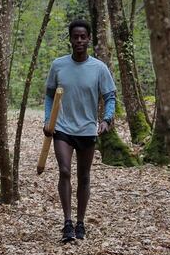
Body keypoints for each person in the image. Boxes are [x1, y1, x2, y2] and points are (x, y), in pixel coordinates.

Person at [43, 19, 116, 243]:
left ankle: (81, 222)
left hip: (87, 129)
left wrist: (106, 119)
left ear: (89, 39)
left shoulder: (99, 68)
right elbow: (49, 94)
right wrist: (49, 120)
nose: (79, 40)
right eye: (76, 36)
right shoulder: (58, 65)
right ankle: (67, 223)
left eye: (83, 36)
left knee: (84, 176)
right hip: (63, 128)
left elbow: (110, 96)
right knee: (64, 171)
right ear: (70, 39)